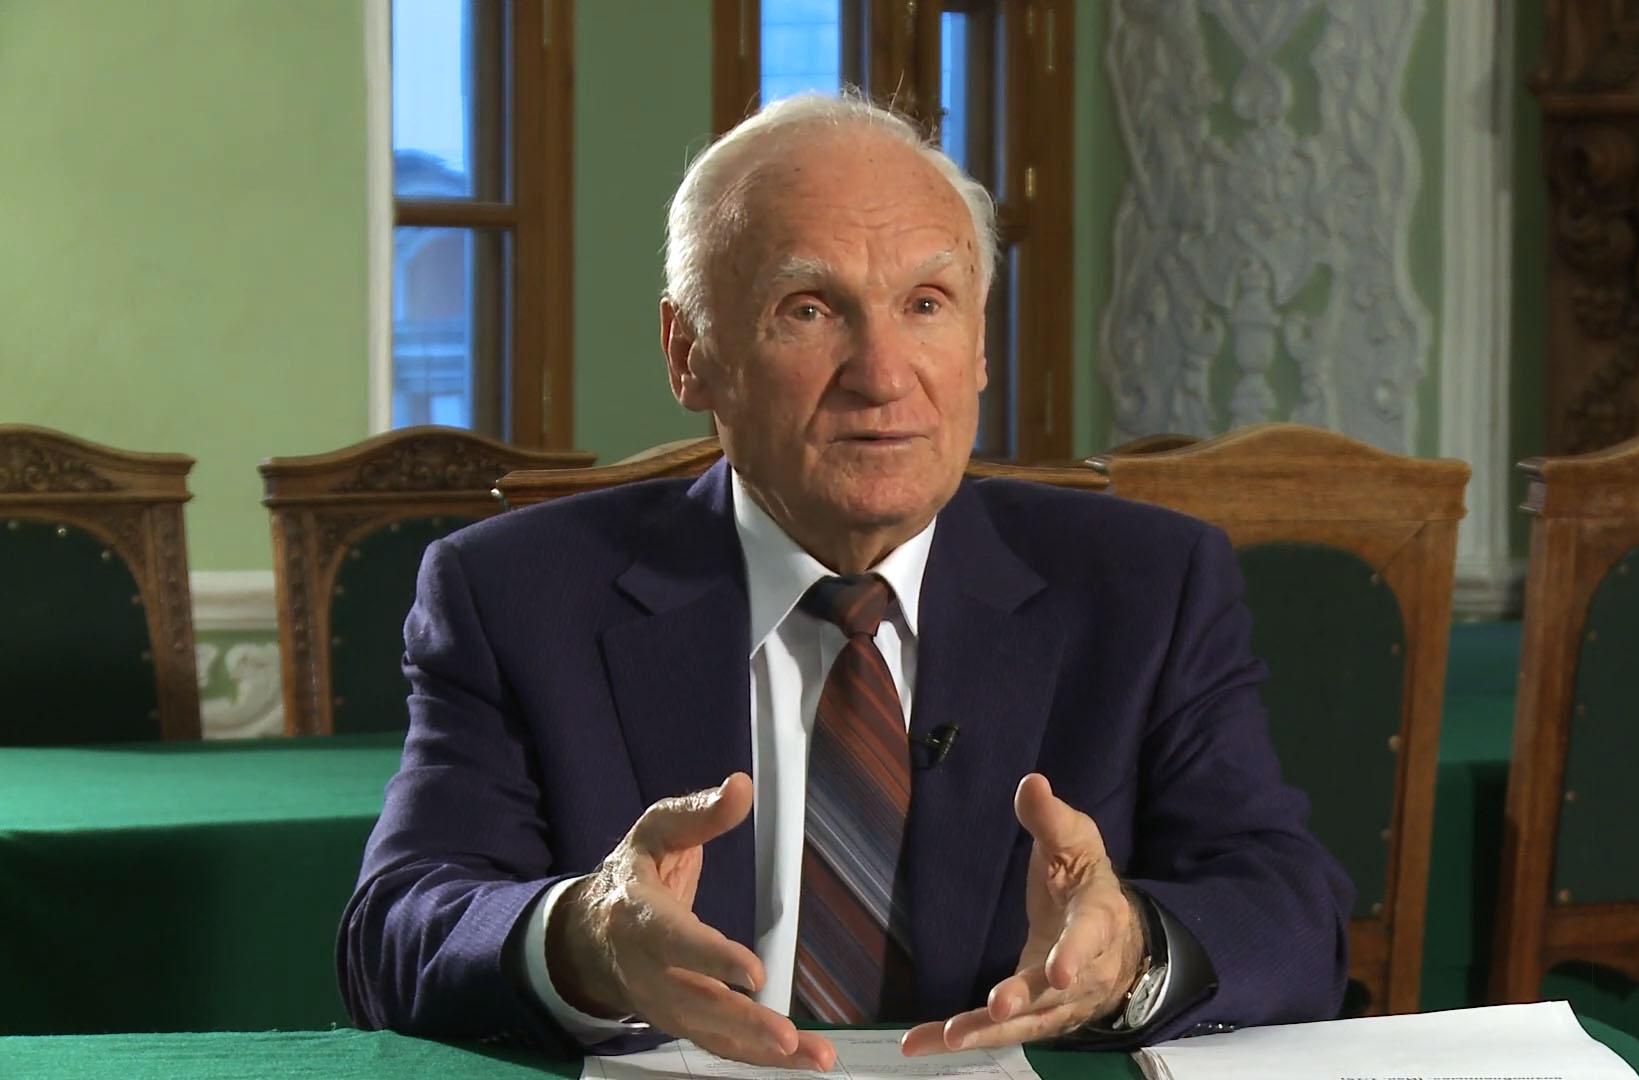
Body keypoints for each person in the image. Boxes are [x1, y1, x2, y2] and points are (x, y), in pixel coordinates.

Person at [337, 93, 1352, 1067]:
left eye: (926, 305)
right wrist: (585, 937)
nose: (882, 373)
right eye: (811, 309)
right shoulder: (515, 596)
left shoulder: (1146, 588)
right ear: (689, 355)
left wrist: (1129, 952)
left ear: (980, 347)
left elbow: (1291, 913)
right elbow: (397, 931)